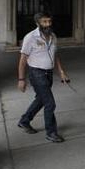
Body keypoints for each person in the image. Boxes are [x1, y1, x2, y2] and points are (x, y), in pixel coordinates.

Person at [16, 12, 69, 143]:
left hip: (48, 73)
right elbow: (22, 60)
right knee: (50, 103)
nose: (48, 24)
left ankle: (24, 121)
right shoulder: (30, 37)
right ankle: (51, 132)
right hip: (36, 73)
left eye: (49, 21)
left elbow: (55, 54)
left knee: (41, 99)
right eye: (44, 22)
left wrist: (61, 71)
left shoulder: (53, 36)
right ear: (37, 23)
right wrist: (21, 80)